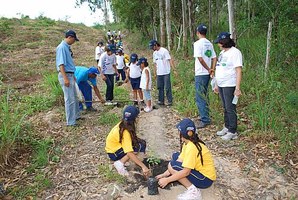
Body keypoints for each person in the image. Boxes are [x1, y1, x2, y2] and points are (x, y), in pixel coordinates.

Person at [156, 118, 216, 200]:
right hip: (199, 171)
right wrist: (164, 174)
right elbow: (179, 160)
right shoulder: (188, 143)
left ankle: (193, 191)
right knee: (175, 156)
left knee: (174, 166)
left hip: (205, 179)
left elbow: (185, 172)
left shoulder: (192, 148)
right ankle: (174, 174)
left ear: (183, 133)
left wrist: (167, 180)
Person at [213, 32, 243, 140]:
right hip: (221, 84)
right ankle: (227, 126)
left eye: (219, 43)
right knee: (225, 107)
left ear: (224, 42)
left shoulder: (235, 53)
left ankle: (232, 130)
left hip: (229, 84)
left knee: (230, 108)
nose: (218, 45)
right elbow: (219, 68)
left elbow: (238, 70)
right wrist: (216, 84)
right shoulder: (222, 53)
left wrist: (237, 88)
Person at [105, 105, 150, 177]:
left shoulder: (124, 124)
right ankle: (120, 163)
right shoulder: (125, 132)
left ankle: (134, 162)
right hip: (113, 153)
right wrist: (143, 166)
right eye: (138, 116)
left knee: (141, 143)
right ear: (135, 118)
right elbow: (129, 152)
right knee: (137, 147)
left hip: (116, 147)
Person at [193, 24, 217, 129]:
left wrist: (208, 69)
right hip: (207, 74)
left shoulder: (197, 44)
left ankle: (205, 119)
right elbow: (214, 58)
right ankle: (205, 115)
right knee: (205, 95)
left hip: (201, 73)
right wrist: (212, 69)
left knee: (200, 96)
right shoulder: (209, 43)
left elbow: (200, 59)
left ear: (198, 32)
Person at [56, 30, 80, 126]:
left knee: (74, 97)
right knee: (69, 99)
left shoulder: (67, 47)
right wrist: (65, 78)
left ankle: (76, 116)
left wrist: (73, 76)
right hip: (65, 75)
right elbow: (61, 64)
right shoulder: (62, 47)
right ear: (70, 37)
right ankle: (70, 122)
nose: (74, 42)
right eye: (74, 39)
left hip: (70, 74)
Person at [149, 40, 174, 106]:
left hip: (166, 72)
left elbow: (170, 59)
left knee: (167, 87)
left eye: (152, 47)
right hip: (159, 72)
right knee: (160, 87)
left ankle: (169, 101)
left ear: (156, 45)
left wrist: (174, 69)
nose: (152, 49)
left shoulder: (164, 51)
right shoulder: (154, 53)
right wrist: (155, 72)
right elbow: (155, 63)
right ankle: (161, 101)